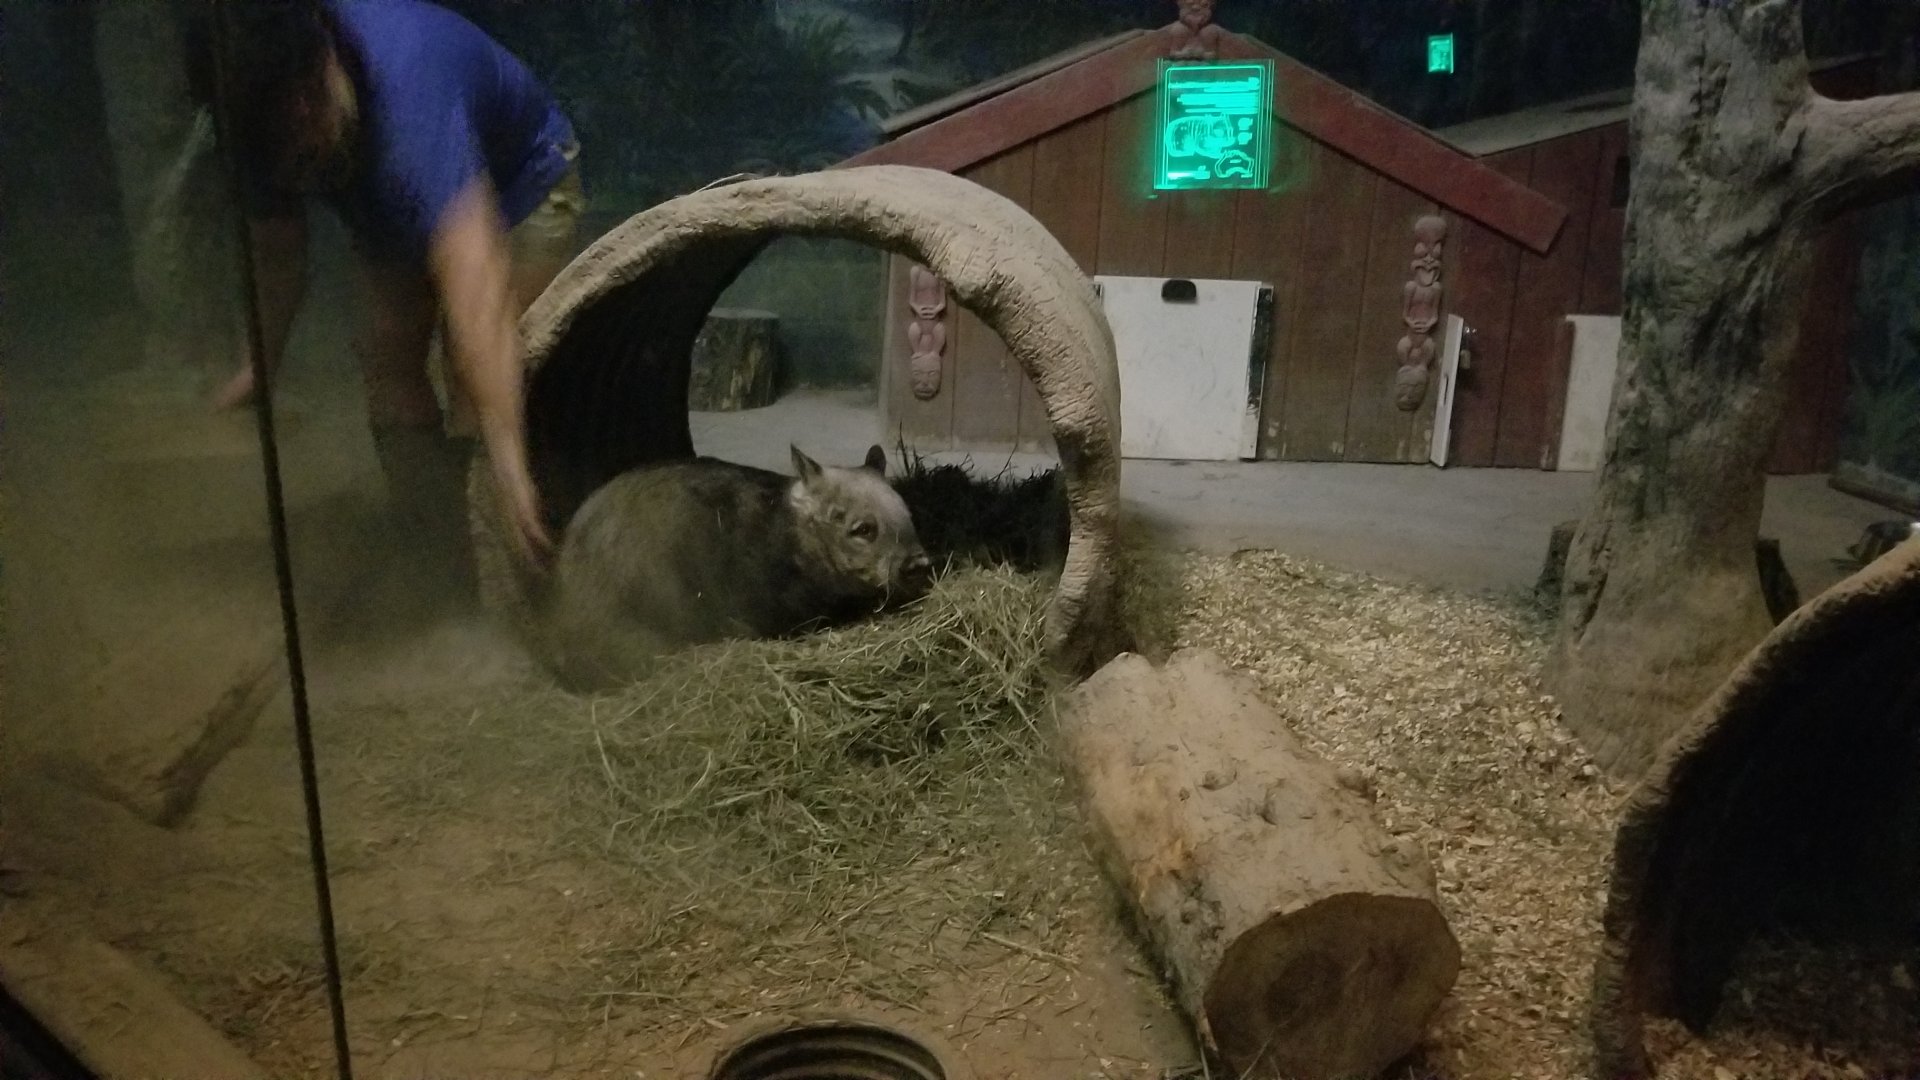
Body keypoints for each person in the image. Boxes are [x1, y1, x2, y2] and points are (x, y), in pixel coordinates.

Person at [201, 0, 584, 582]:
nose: (304, 124)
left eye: (309, 105)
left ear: (323, 58)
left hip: (521, 186)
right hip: (389, 209)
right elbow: (278, 251)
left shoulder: (410, 86)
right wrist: (262, 361)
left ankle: (511, 563)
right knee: (384, 356)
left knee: (472, 373)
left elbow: (475, 290)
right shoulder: (252, 119)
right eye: (286, 134)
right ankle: (437, 553)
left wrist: (508, 455)